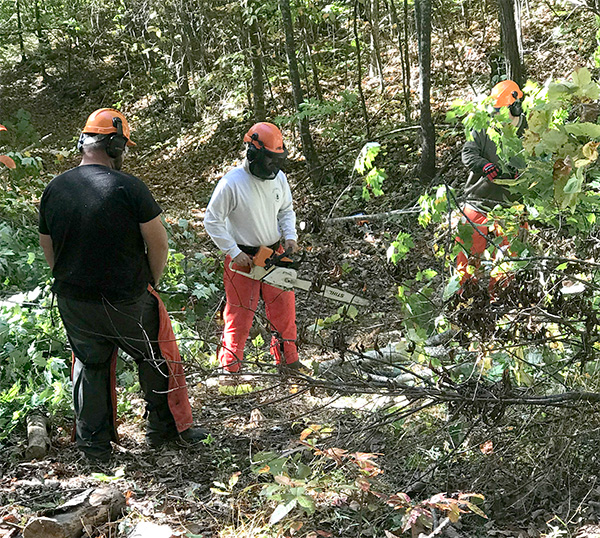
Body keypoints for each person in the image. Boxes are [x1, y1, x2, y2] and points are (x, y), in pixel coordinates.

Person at [38, 108, 206, 462]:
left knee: (89, 364)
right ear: (115, 147)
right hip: (126, 298)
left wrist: (68, 280)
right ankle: (166, 429)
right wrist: (150, 282)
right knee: (157, 355)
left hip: (75, 300)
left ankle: (94, 445)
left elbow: (48, 245)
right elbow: (158, 243)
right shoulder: (130, 188)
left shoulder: (54, 189)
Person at [204, 122, 301, 376]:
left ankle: (289, 362)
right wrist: (234, 253)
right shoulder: (231, 183)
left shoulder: (279, 178)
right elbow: (212, 220)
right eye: (269, 160)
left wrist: (290, 236)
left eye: (277, 160)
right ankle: (230, 369)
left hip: (275, 252)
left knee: (284, 312)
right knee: (239, 316)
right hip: (242, 256)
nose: (273, 166)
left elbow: (286, 211)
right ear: (254, 153)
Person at [457, 80, 527, 292]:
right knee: (467, 249)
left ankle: (503, 296)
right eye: (494, 111)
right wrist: (484, 165)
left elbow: (541, 160)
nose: (496, 116)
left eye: (501, 111)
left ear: (515, 107)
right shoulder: (482, 126)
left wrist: (523, 171)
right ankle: (465, 294)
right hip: (479, 197)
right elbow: (468, 153)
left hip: (511, 204)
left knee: (510, 254)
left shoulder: (531, 129)